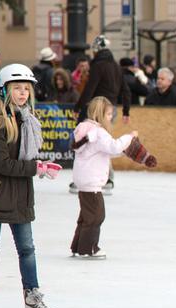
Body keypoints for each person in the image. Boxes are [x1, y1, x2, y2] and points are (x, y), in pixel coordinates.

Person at [0, 63, 62, 308]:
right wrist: (35, 167)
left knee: (27, 250)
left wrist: (40, 166)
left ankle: (32, 298)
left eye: (26, 89)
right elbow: (2, 163)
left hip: (20, 196)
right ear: (4, 90)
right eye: (17, 88)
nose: (23, 93)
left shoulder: (27, 119)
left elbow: (24, 159)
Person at [70, 96, 156, 259]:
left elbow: (105, 152)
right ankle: (89, 248)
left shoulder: (83, 128)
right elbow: (114, 147)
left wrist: (124, 151)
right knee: (96, 215)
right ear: (100, 114)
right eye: (109, 115)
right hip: (92, 181)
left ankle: (78, 246)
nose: (111, 118)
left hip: (83, 179)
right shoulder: (99, 132)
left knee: (86, 215)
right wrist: (129, 137)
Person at [73, 35, 131, 194]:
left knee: (89, 143)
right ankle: (107, 178)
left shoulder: (98, 66)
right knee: (104, 142)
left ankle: (100, 177)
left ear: (97, 50)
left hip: (98, 109)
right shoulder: (116, 67)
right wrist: (126, 111)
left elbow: (89, 89)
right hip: (111, 111)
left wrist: (79, 108)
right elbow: (126, 90)